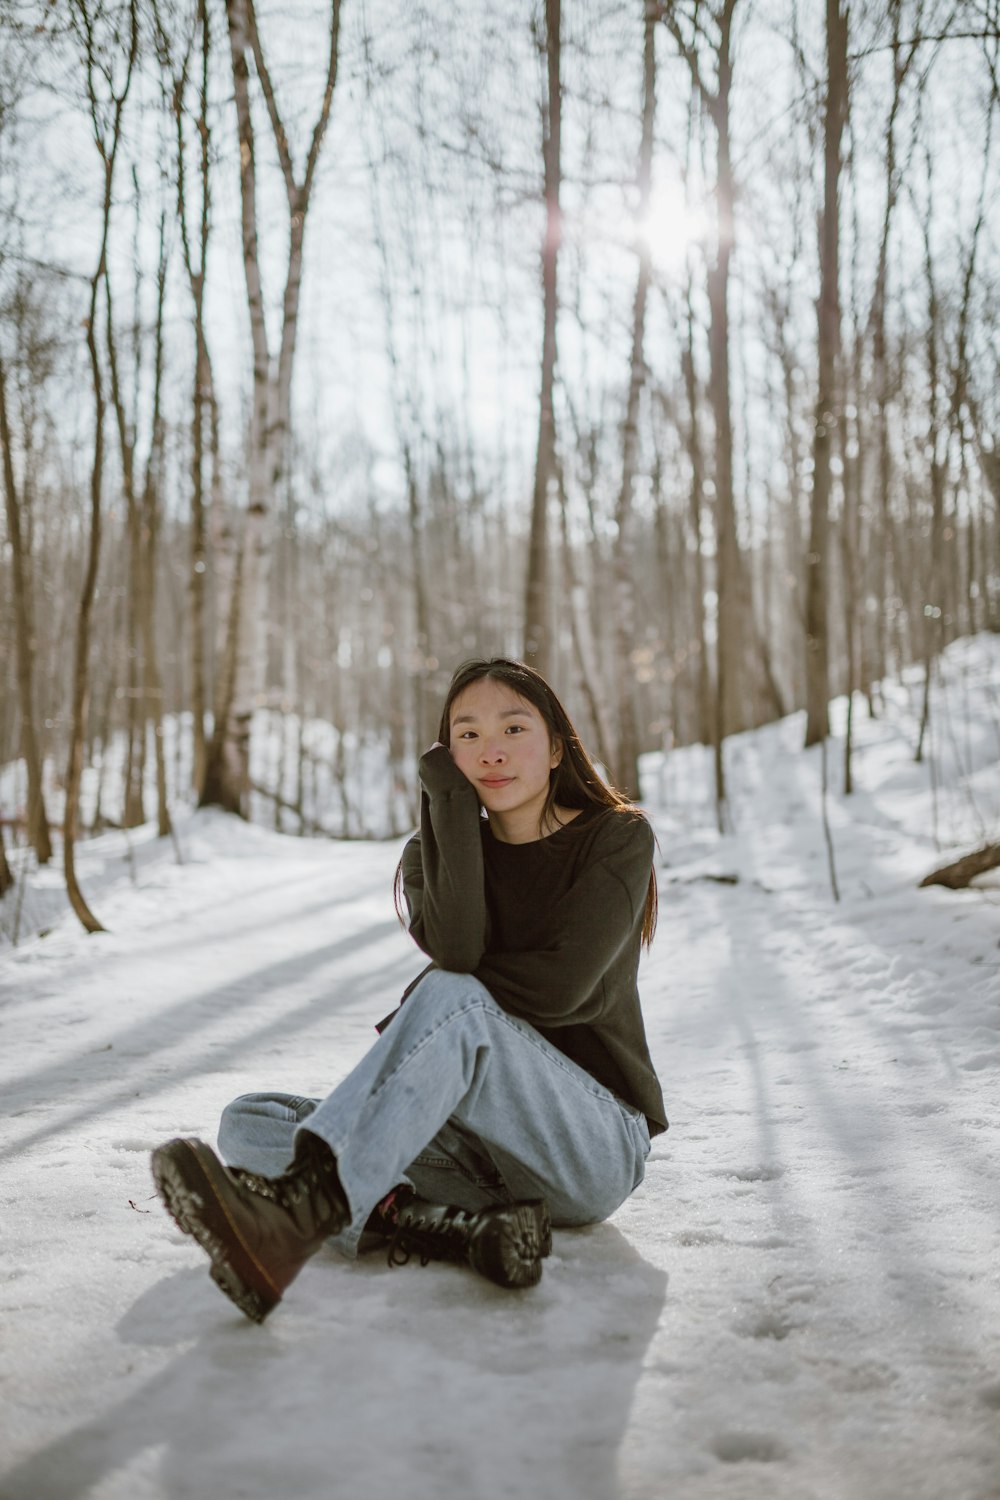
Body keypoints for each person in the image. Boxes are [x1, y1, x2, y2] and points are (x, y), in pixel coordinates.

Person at [151, 657, 667, 1322]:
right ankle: (454, 1229)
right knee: (248, 1122)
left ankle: (298, 1222)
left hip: (589, 1146)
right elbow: (458, 947)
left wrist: (437, 1005)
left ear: (558, 745)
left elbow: (561, 987)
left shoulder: (618, 836)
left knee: (454, 999)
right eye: (468, 735)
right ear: (445, 755)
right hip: (476, 1158)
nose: (492, 751)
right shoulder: (431, 855)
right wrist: (447, 805)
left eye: (513, 728)